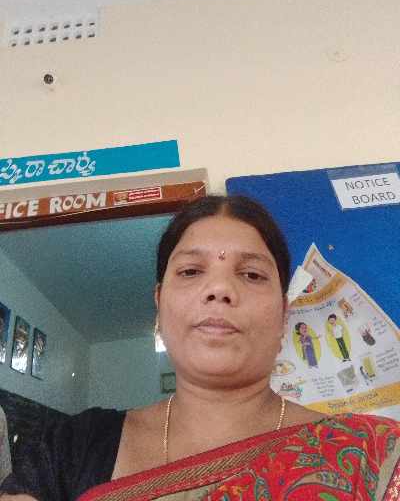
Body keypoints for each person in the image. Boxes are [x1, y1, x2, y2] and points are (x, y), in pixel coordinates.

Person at [1, 195, 399, 501]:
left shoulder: (370, 456)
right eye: (191, 271)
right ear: (159, 305)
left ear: (283, 314)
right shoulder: (70, 446)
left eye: (251, 274)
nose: (220, 289)